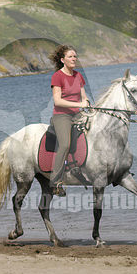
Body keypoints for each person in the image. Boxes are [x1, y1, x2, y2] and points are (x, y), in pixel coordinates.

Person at [48, 45, 89, 196]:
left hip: (78, 114)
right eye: (70, 57)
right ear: (62, 60)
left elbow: (84, 97)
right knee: (64, 144)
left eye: (75, 56)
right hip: (62, 116)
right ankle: (56, 182)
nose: (74, 59)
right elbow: (57, 101)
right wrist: (79, 104)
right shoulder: (57, 76)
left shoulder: (78, 76)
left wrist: (87, 104)